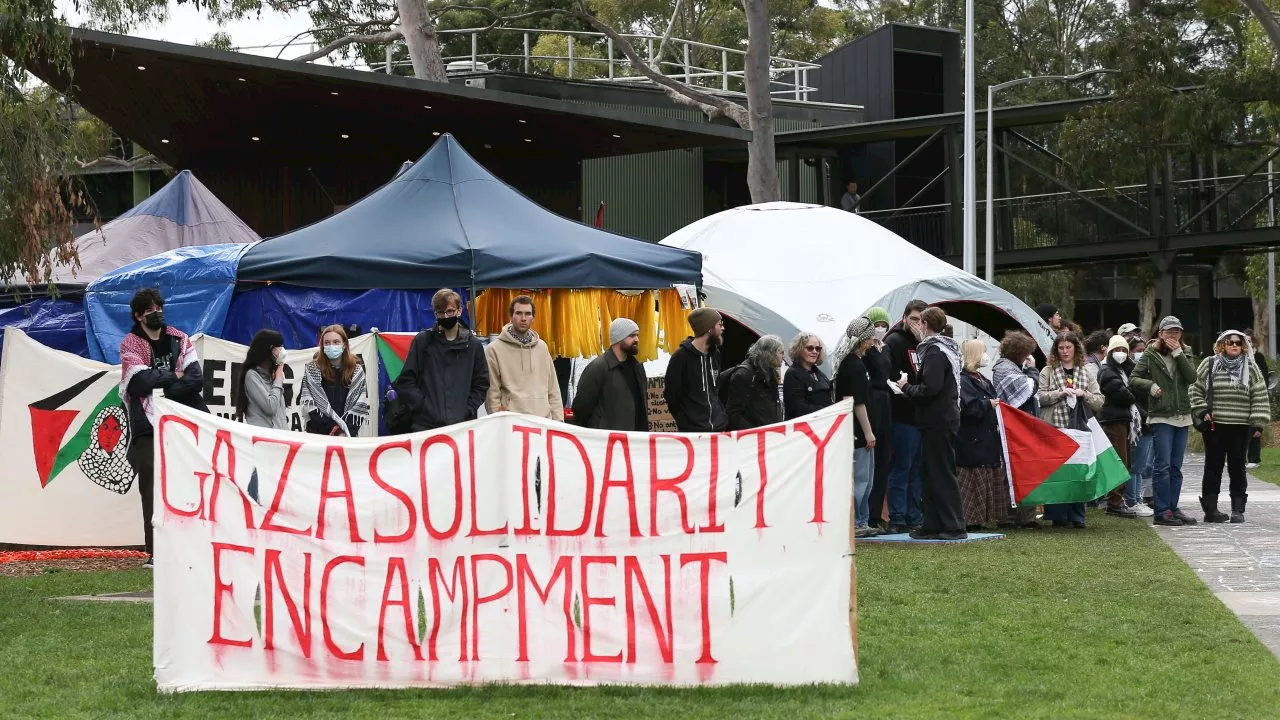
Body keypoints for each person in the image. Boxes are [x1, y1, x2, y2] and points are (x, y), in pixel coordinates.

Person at [119, 288, 209, 569]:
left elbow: (195, 380)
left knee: (194, 478)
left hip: (183, 419)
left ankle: (194, 544)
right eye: (149, 310)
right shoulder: (131, 344)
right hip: (147, 425)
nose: (156, 312)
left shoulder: (179, 338)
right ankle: (156, 550)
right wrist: (174, 376)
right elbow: (138, 383)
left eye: (159, 307)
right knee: (151, 480)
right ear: (138, 315)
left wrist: (161, 385)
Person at [896, 307, 967, 540]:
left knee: (941, 473)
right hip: (939, 419)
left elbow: (932, 388)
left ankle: (954, 525)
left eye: (920, 322)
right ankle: (933, 523)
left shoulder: (935, 351)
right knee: (930, 472)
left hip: (939, 420)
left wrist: (907, 388)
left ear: (926, 324)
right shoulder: (946, 348)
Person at [1191, 330, 1271, 524]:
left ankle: (1238, 510)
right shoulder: (1210, 363)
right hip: (1214, 425)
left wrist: (1258, 422)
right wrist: (1202, 411)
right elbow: (1195, 388)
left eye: (1238, 342)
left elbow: (1259, 395)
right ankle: (1211, 510)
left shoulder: (1251, 367)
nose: (1234, 345)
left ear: (1243, 346)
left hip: (1241, 426)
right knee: (1213, 467)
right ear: (1222, 345)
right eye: (1229, 342)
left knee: (1238, 468)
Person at [1131, 316, 1199, 527]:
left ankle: (1173, 507)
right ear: (1160, 333)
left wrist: (1178, 353)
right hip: (1161, 415)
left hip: (1182, 415)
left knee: (1176, 466)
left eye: (1177, 332)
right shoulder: (1150, 354)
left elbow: (1192, 377)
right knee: (1163, 466)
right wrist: (1150, 386)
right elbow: (1133, 378)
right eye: (1169, 332)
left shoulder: (1184, 351)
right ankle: (1161, 511)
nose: (1173, 336)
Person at [395, 288, 489, 432]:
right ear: (435, 314)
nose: (445, 317)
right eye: (440, 313)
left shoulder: (473, 345)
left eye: (450, 311)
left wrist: (467, 409)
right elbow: (406, 381)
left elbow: (481, 383)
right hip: (426, 427)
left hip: (462, 427)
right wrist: (423, 407)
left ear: (459, 310)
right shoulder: (423, 341)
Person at [1037, 332, 1104, 528]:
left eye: (1068, 347)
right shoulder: (1048, 371)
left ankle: (1077, 516)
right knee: (1057, 472)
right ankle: (1058, 515)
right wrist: (1059, 393)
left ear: (1076, 348)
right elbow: (1040, 397)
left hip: (1080, 428)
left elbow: (1100, 401)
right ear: (1056, 350)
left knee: (1078, 472)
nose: (1065, 351)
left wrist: (1085, 394)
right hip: (1055, 428)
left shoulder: (1086, 372)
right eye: (1061, 348)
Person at [832, 317, 879, 538]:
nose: (873, 340)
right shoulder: (854, 365)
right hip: (857, 431)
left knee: (866, 479)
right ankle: (857, 521)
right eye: (870, 336)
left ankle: (863, 519)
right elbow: (857, 401)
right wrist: (868, 432)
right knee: (861, 478)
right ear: (862, 339)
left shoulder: (853, 362)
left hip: (856, 429)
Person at [884, 299, 928, 533]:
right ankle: (897, 518)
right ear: (904, 318)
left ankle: (914, 516)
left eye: (922, 320)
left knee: (916, 470)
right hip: (902, 415)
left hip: (921, 416)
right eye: (914, 319)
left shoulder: (925, 344)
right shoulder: (894, 341)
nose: (918, 324)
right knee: (901, 467)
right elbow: (890, 379)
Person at [484, 295, 564, 421]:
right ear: (511, 316)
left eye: (528, 314)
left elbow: (553, 389)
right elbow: (492, 394)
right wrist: (498, 422)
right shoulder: (494, 349)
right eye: (519, 313)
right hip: (512, 424)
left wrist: (558, 421)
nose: (523, 318)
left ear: (533, 317)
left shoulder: (542, 347)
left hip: (543, 422)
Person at [991, 330, 1041, 528]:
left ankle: (1027, 516)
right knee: (1010, 472)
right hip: (1012, 427)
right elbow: (1028, 388)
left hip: (1024, 425)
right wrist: (1033, 371)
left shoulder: (1015, 367)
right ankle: (1008, 517)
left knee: (1028, 470)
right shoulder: (1004, 368)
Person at [956, 339, 1005, 531]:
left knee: (984, 475)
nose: (986, 355)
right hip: (972, 439)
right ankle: (970, 518)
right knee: (971, 478)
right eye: (983, 351)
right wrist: (987, 404)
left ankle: (981, 518)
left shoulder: (982, 379)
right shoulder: (963, 380)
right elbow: (968, 408)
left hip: (986, 437)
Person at [573, 318, 649, 432]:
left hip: (635, 440)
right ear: (619, 338)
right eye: (632, 336)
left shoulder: (637, 367)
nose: (637, 339)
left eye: (637, 335)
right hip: (608, 441)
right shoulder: (599, 367)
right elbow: (581, 408)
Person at [1097, 335, 1142, 518]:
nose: (1121, 354)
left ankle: (1118, 499)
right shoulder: (1107, 370)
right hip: (1112, 420)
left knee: (1126, 461)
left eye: (1124, 350)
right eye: (1117, 350)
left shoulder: (1125, 370)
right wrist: (1135, 394)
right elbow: (1124, 395)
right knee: (1119, 461)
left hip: (1124, 420)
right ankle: (1114, 501)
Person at [300, 324, 370, 437]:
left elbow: (360, 405)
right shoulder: (312, 369)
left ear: (344, 344)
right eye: (327, 343)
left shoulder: (356, 371)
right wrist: (334, 430)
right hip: (318, 436)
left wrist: (343, 432)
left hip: (347, 436)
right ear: (322, 345)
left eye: (336, 342)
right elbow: (310, 406)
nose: (331, 346)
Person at [665, 308, 728, 433]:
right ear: (709, 328)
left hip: (719, 428)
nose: (723, 328)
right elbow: (672, 395)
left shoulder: (715, 354)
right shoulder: (681, 357)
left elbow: (716, 390)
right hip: (693, 431)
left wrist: (721, 415)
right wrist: (686, 420)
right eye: (720, 324)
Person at [864, 306, 895, 529]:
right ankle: (865, 514)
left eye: (884, 324)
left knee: (884, 460)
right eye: (877, 324)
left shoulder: (885, 348)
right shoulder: (865, 350)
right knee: (870, 461)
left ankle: (876, 514)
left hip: (887, 402)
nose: (881, 329)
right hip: (873, 402)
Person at [724, 335, 784, 431]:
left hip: (768, 434)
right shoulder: (743, 375)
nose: (783, 356)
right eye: (781, 352)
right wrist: (754, 433)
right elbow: (733, 413)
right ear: (769, 353)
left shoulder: (770, 371)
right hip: (753, 438)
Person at [236, 329, 290, 431]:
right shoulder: (252, 376)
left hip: (281, 438)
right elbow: (270, 407)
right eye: (279, 347)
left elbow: (280, 414)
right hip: (264, 439)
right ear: (270, 349)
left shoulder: (272, 375)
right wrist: (278, 381)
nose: (282, 350)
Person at [1128, 337, 1155, 510]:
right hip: (1137, 424)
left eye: (1144, 349)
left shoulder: (1148, 370)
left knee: (1143, 465)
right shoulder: (1130, 373)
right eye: (1138, 349)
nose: (1142, 353)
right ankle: (1133, 500)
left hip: (1148, 422)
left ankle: (1138, 499)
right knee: (1135, 465)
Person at [784, 331, 834, 420]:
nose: (814, 351)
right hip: (803, 428)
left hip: (823, 425)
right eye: (810, 348)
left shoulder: (820, 374)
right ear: (799, 349)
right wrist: (828, 411)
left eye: (818, 348)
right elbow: (799, 408)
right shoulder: (792, 374)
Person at [1246, 328, 1270, 469]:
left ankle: (1254, 458)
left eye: (1249, 341)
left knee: (1255, 426)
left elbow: (1265, 376)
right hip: (1242, 397)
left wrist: (1261, 391)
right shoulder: (1238, 356)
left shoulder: (1258, 357)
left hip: (1256, 395)